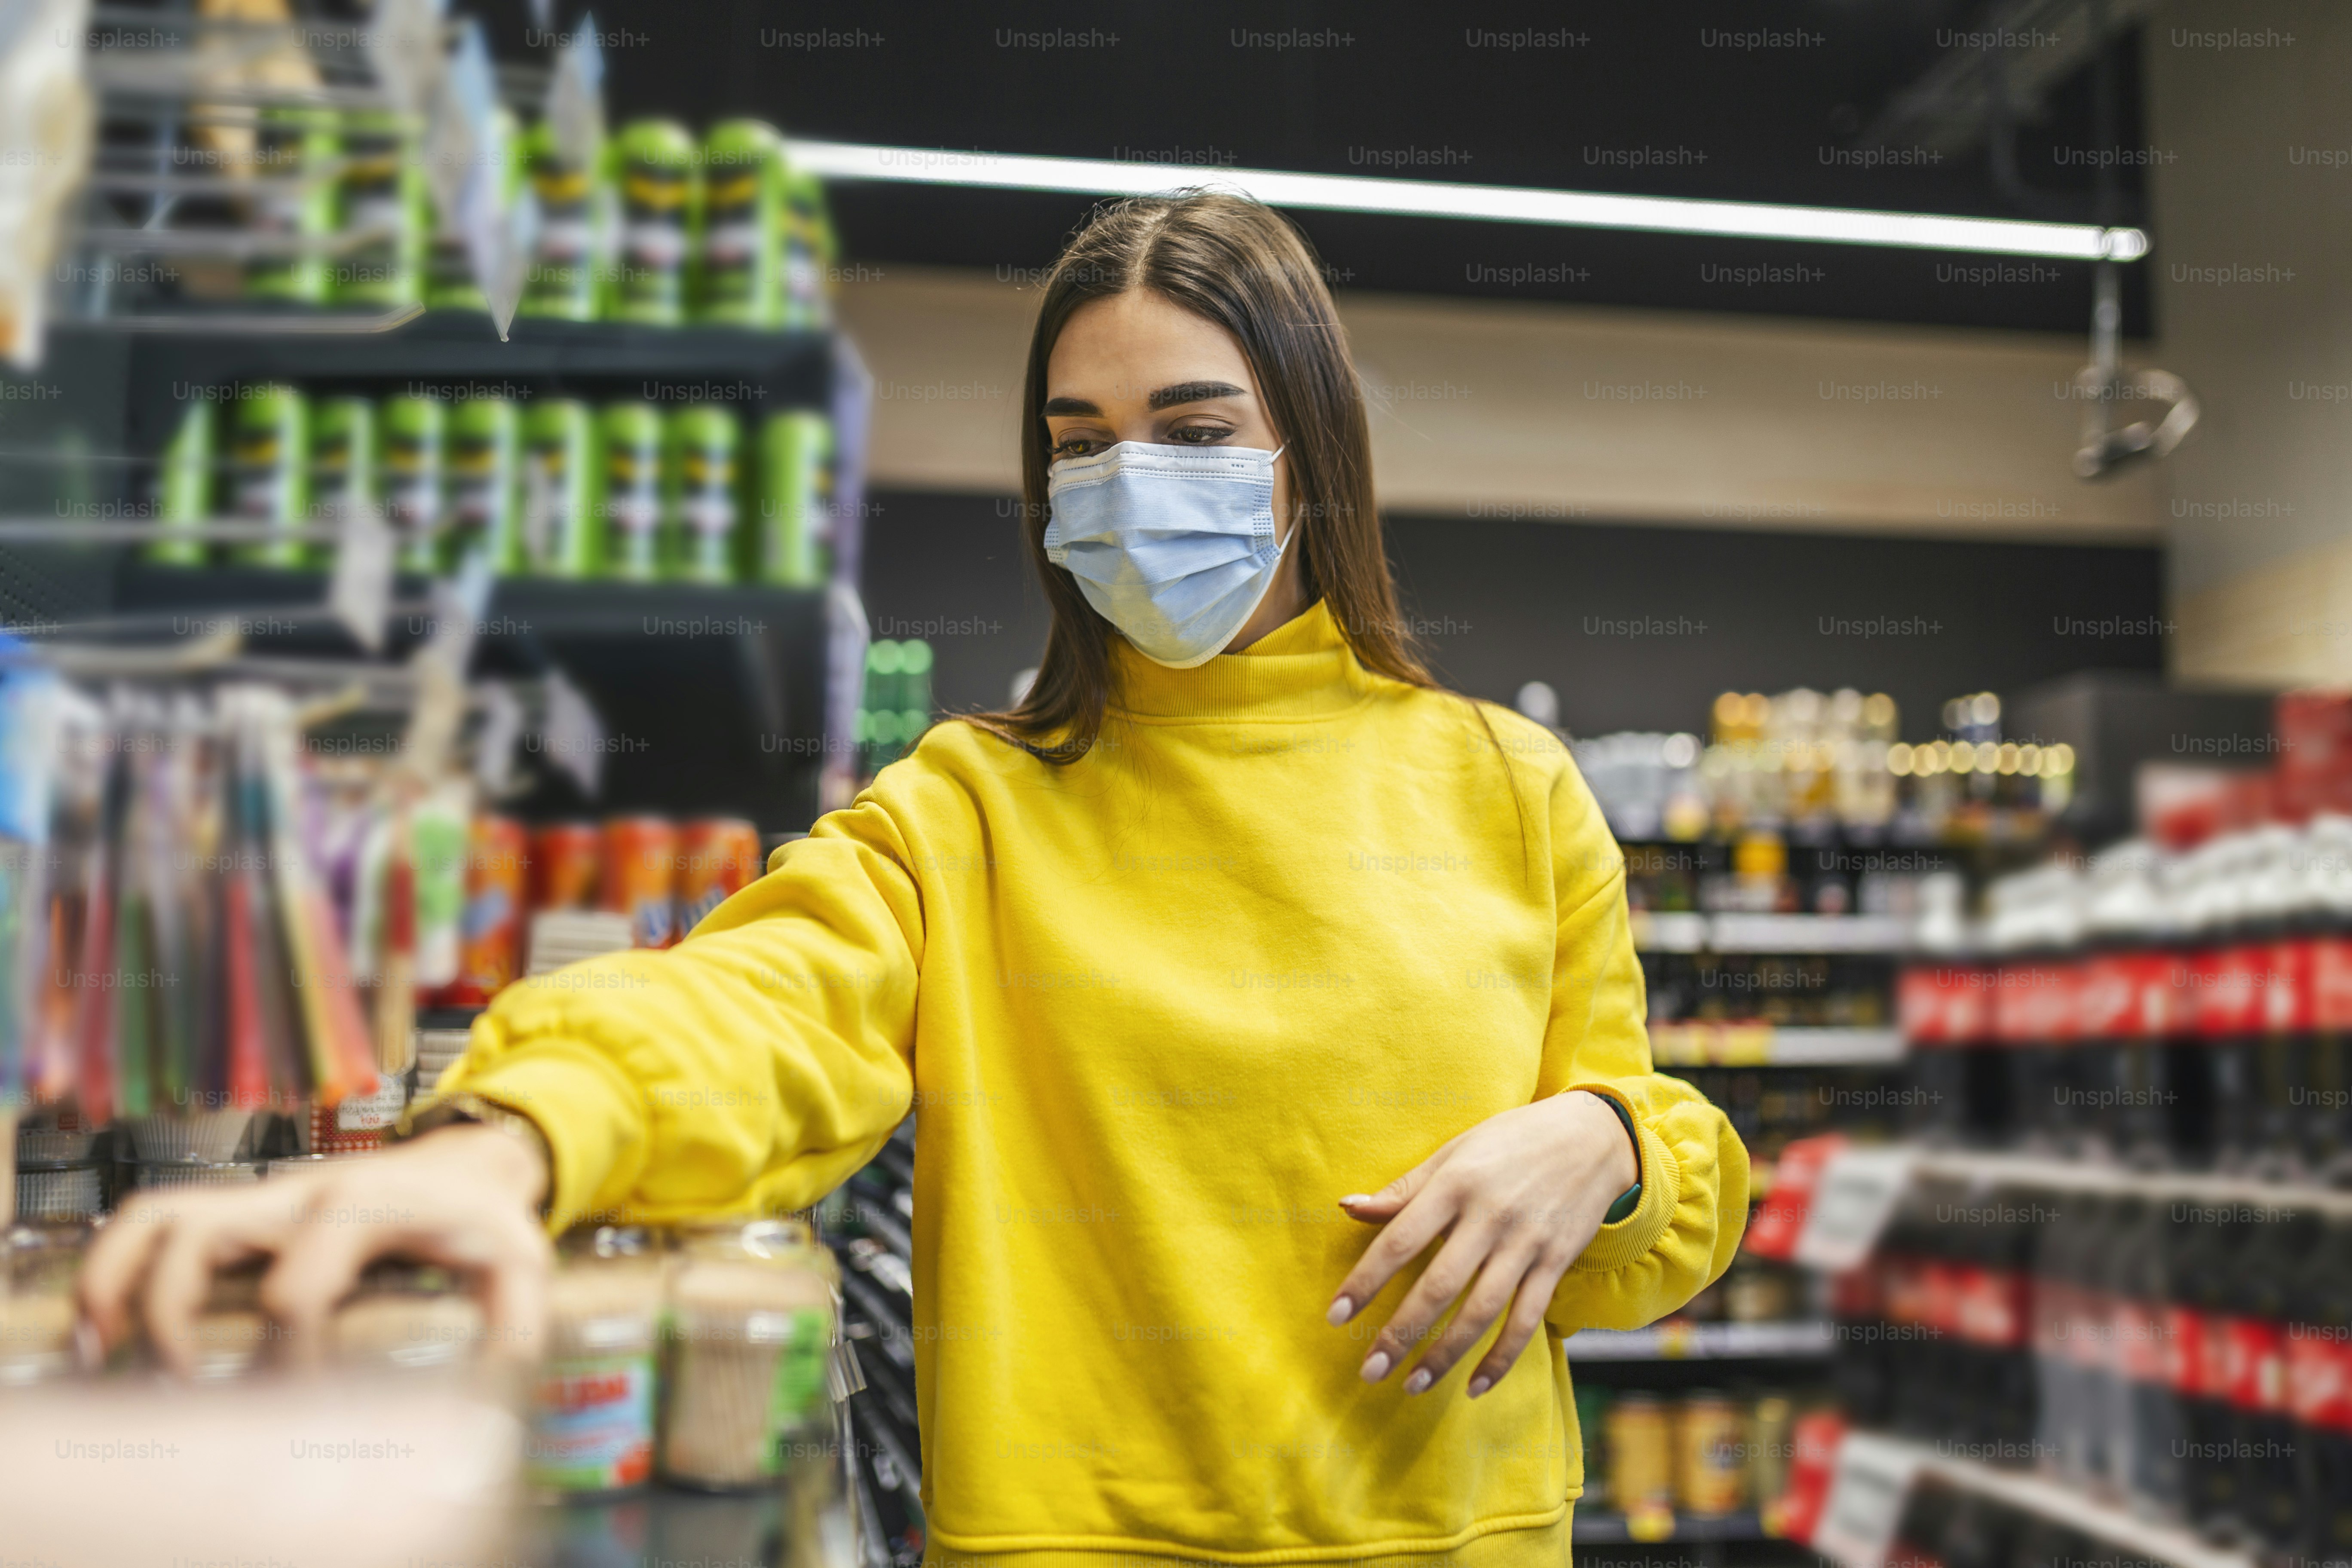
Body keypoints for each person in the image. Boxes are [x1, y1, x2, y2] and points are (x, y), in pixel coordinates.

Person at [82, 191, 1746, 1565]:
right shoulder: (971, 806)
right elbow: (762, 1003)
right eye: (1078, 441)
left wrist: (1604, 1142)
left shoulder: (1507, 788)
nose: (1126, 480)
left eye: (1193, 426)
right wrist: (512, 1139)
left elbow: (1641, 1229)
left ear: (1308, 449)